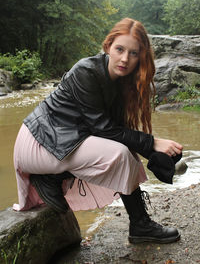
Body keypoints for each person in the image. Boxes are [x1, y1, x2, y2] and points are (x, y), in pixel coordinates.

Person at [13, 17, 183, 244]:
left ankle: (139, 225)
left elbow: (114, 131)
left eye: (133, 53)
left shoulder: (122, 83)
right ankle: (48, 175)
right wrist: (152, 143)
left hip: (62, 143)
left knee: (126, 151)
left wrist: (154, 154)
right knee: (120, 154)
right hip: (38, 142)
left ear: (140, 57)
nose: (125, 58)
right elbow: (104, 130)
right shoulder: (86, 71)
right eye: (119, 49)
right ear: (108, 46)